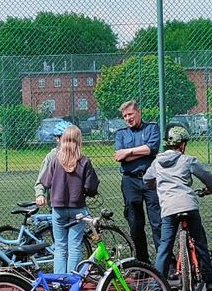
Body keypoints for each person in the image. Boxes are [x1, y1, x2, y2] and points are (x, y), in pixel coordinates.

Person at [145, 126, 212, 291]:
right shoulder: (187, 160)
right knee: (200, 242)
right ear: (182, 144)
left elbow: (147, 180)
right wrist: (210, 188)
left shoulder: (157, 162)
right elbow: (207, 177)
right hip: (188, 205)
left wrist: (155, 186)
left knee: (164, 248)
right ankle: (210, 285)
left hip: (168, 209)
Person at [38, 125, 99, 276]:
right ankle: (73, 279)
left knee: (60, 246)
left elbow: (45, 182)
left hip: (58, 208)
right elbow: (91, 187)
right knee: (74, 246)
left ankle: (58, 282)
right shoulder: (84, 161)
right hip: (77, 208)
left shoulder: (55, 160)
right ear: (79, 141)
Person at [113, 100, 162, 263]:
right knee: (135, 224)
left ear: (138, 113)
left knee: (158, 223)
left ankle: (165, 263)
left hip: (151, 181)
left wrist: (129, 153)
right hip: (130, 181)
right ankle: (142, 262)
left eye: (130, 114)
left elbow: (152, 148)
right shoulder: (121, 134)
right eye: (125, 116)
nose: (128, 118)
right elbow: (119, 156)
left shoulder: (151, 128)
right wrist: (142, 151)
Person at [34, 120, 71, 207]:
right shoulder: (52, 157)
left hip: (76, 204)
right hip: (57, 204)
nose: (69, 141)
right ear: (57, 139)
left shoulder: (79, 157)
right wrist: (40, 195)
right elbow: (41, 180)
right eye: (65, 138)